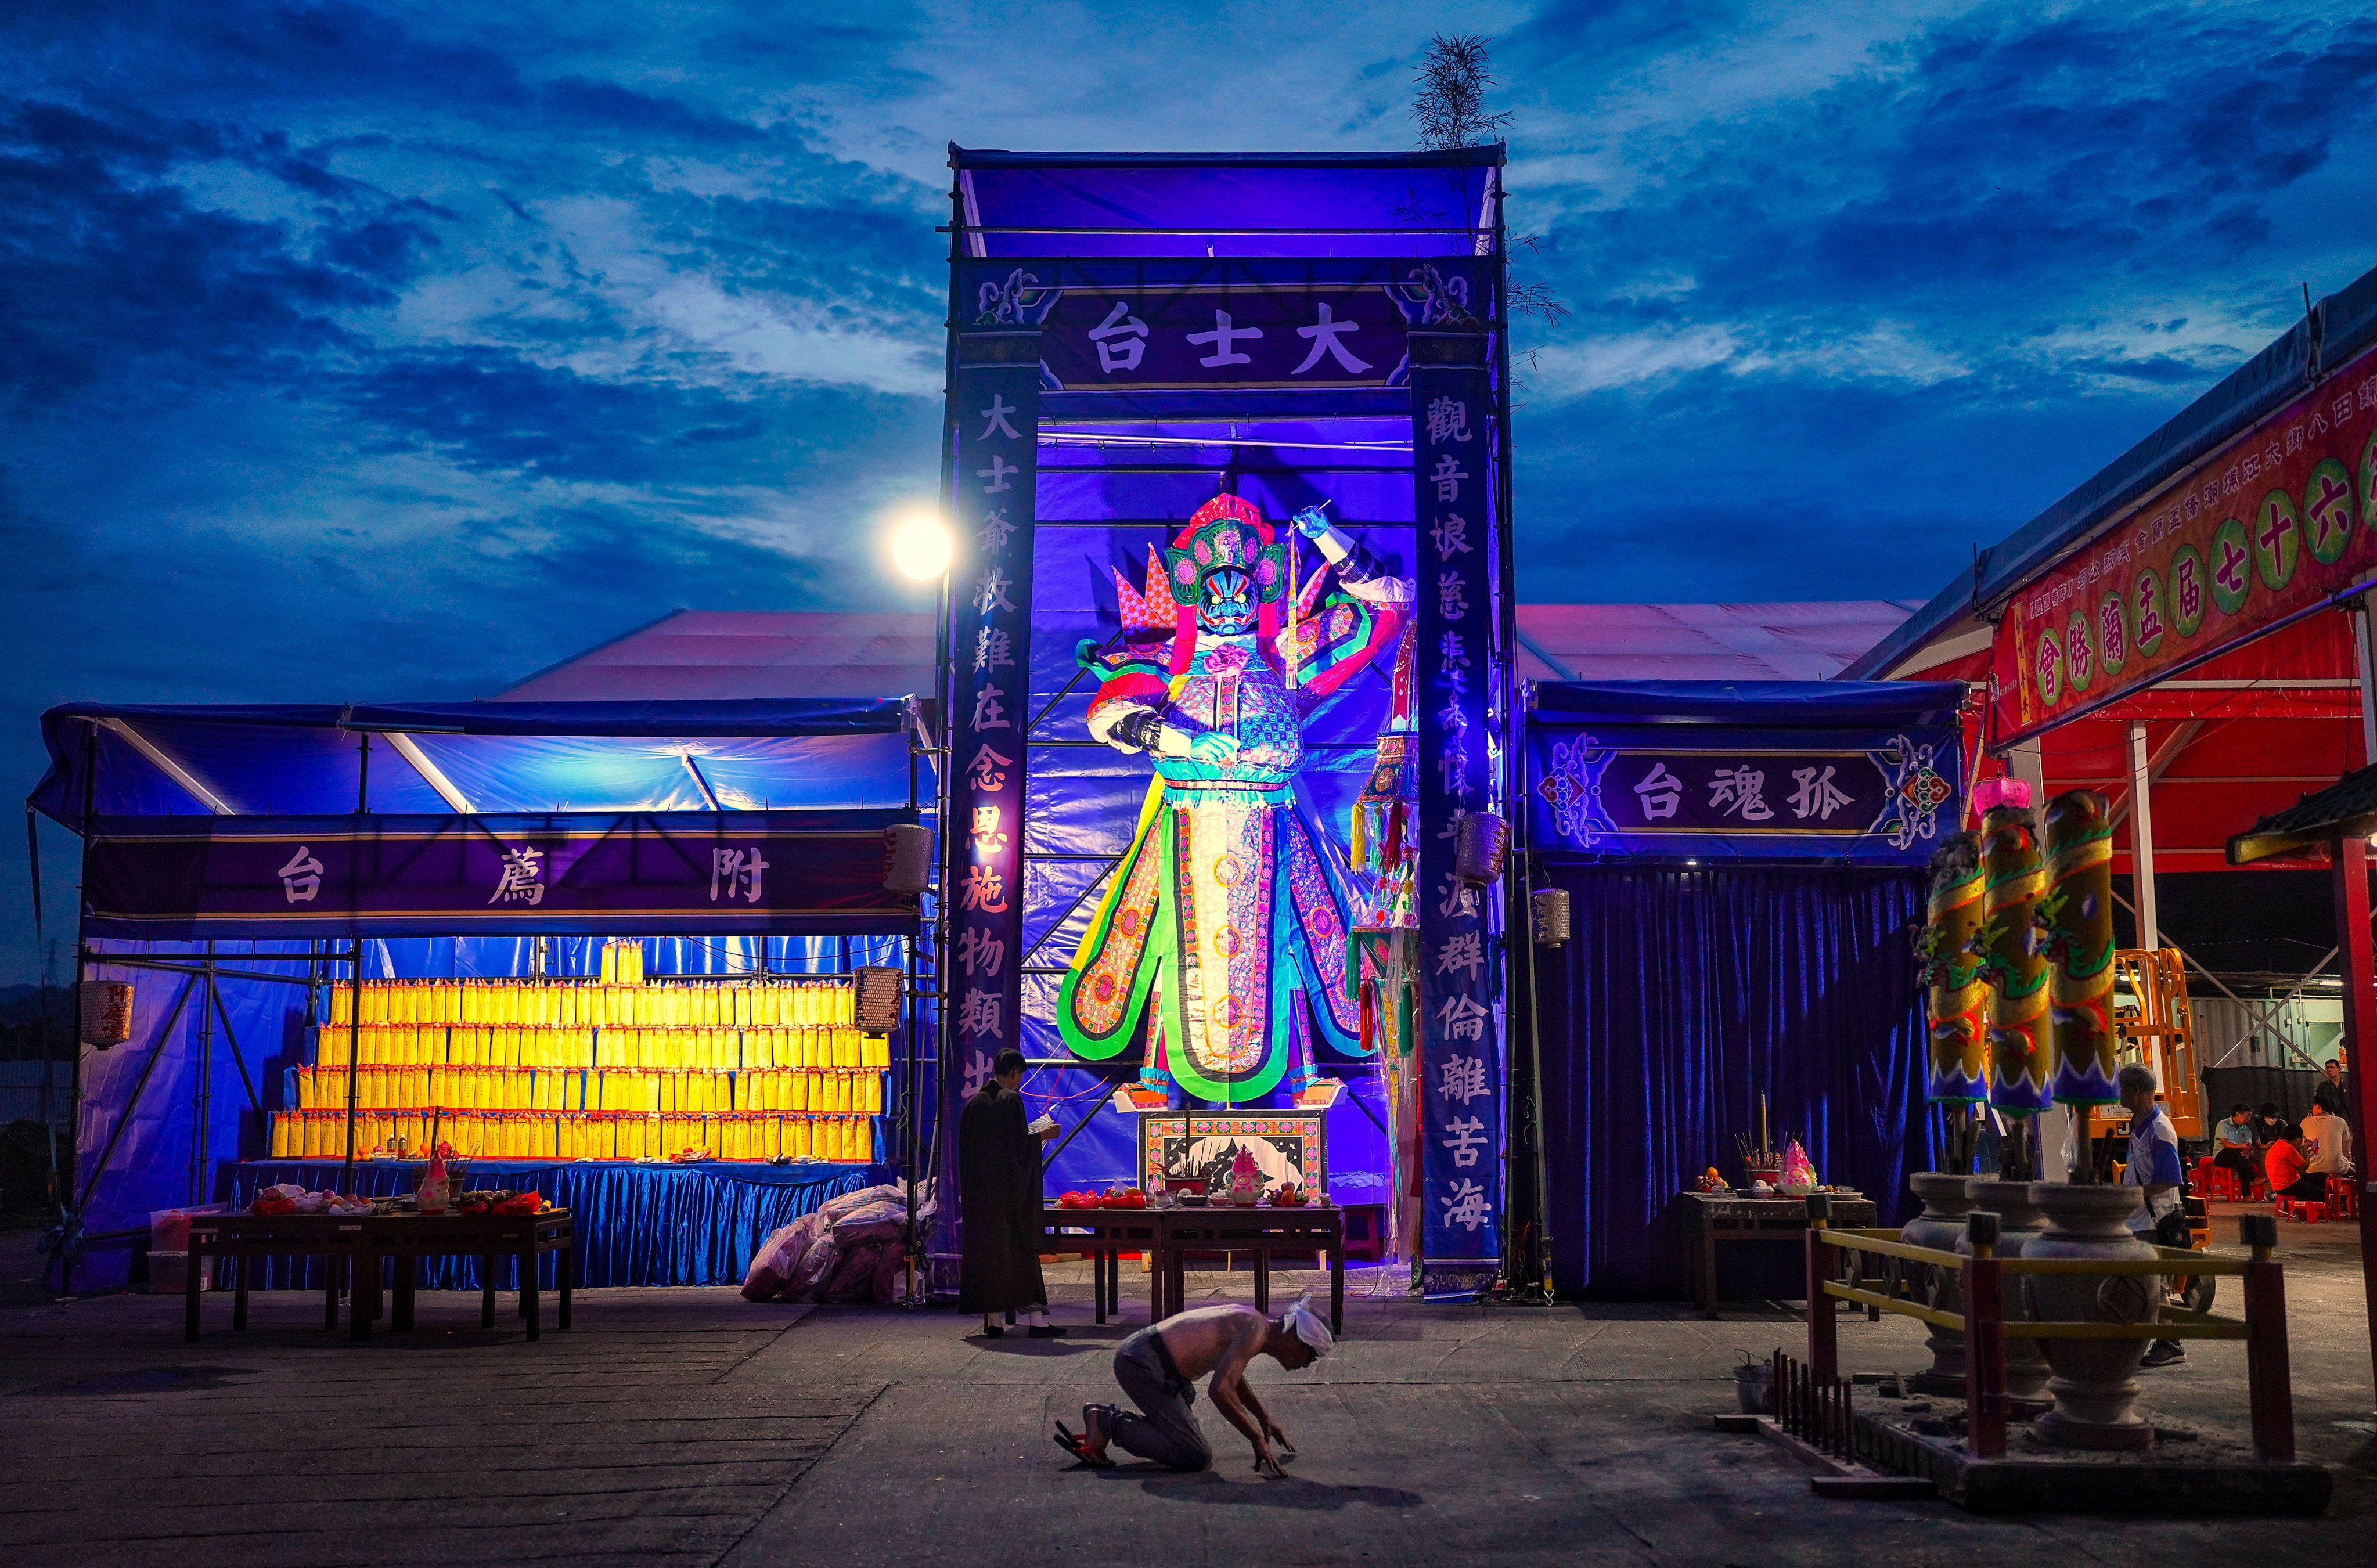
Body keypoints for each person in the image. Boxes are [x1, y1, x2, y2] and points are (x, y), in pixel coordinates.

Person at [1056, 1292, 1332, 1476]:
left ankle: (1118, 1424)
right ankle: (1105, 1422)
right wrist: (1256, 1437)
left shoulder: (1257, 1325)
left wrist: (1264, 1419)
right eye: (1310, 1357)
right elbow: (1220, 1390)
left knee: (1184, 1439)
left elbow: (1232, 1378)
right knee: (1194, 1454)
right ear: (1296, 1339)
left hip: (1153, 1363)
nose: (1306, 1365)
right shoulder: (1255, 1329)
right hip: (1141, 1362)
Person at [959, 1047, 1063, 1339]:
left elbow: (966, 1153)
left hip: (979, 1196)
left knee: (987, 1256)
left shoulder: (973, 1104)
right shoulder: (1012, 1100)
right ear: (1015, 1073)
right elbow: (1018, 1149)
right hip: (1008, 1196)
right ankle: (1037, 1324)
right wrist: (1043, 1135)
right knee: (1020, 1253)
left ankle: (993, 1322)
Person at [2116, 1064, 2188, 1369]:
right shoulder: (2140, 1122)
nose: (2117, 1095)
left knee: (2157, 1286)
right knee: (2147, 1284)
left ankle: (2170, 1343)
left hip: (2154, 1220)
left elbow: (2171, 1178)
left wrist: (2133, 1196)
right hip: (2140, 1217)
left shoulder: (2158, 1129)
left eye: (2120, 1089)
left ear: (2135, 1091)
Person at [2265, 1124, 2327, 1201]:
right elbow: (2304, 1166)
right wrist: (2305, 1149)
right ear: (2297, 1138)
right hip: (2287, 1185)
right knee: (2319, 1192)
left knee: (2322, 1177)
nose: (2302, 1141)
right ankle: (2327, 1207)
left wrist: (2305, 1149)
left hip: (2282, 1183)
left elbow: (2300, 1162)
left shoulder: (2279, 1144)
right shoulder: (2288, 1148)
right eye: (2302, 1138)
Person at [2300, 1095, 2354, 1178]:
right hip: (2336, 1167)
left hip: (2311, 1169)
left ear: (2318, 1106)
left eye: (2314, 1106)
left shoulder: (2305, 1122)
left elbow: (2301, 1146)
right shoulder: (2341, 1121)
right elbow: (2346, 1150)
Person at [2210, 1103, 2258, 1192]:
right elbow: (2225, 1144)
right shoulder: (2223, 1124)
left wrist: (2249, 1151)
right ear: (2238, 1114)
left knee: (2241, 1162)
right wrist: (2241, 1147)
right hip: (2221, 1157)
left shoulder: (2247, 1130)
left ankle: (2246, 1195)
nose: (2249, 1119)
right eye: (2247, 1116)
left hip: (2238, 1157)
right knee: (2239, 1154)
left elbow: (2249, 1146)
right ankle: (2253, 1178)